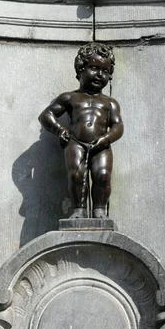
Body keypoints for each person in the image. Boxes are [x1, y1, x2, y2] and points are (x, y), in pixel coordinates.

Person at [39, 43, 123, 218]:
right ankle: (79, 210)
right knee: (76, 175)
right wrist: (59, 130)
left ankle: (99, 209)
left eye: (105, 71)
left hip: (102, 145)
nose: (99, 75)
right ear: (80, 68)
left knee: (103, 175)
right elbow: (46, 115)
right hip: (76, 142)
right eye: (94, 68)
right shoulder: (70, 97)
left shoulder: (110, 103)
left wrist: (106, 138)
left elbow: (118, 126)